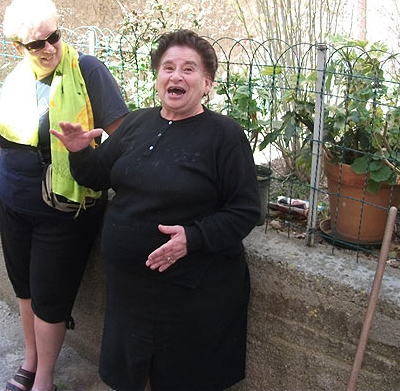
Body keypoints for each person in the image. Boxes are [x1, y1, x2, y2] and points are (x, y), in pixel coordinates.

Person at [51, 29, 261, 391]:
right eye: (168, 67)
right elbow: (97, 177)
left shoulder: (224, 136)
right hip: (130, 291)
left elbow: (245, 210)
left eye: (189, 69)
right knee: (134, 374)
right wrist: (79, 151)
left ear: (207, 83)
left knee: (181, 378)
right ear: (158, 76)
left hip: (191, 291)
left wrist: (192, 238)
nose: (176, 76)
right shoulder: (137, 123)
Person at [0, 0, 128, 391]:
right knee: (25, 289)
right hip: (12, 203)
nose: (49, 48)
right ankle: (30, 362)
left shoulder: (87, 71)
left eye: (54, 37)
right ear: (18, 47)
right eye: (36, 44)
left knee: (49, 296)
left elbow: (123, 137)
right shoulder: (17, 79)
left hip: (65, 209)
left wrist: (92, 158)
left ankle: (44, 380)